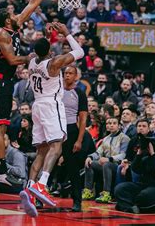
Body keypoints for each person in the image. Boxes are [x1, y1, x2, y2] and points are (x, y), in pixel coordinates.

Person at [0, 0, 52, 185]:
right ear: (7, 19)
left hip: (5, 81)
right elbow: (13, 60)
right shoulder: (2, 34)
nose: (18, 16)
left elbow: (32, 5)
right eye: (13, 15)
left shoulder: (12, 27)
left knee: (2, 126)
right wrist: (31, 57)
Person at [20, 22, 84, 217]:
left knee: (41, 151)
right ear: (49, 50)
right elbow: (79, 52)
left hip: (37, 106)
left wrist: (47, 38)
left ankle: (30, 190)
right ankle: (41, 185)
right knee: (56, 147)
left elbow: (42, 50)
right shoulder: (54, 63)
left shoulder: (31, 62)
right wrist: (66, 34)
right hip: (51, 105)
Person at [60, 65, 88, 212]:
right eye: (65, 73)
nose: (67, 76)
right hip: (56, 129)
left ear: (76, 76)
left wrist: (79, 139)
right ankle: (39, 197)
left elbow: (83, 119)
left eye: (70, 73)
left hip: (71, 130)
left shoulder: (79, 93)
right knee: (48, 164)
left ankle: (77, 200)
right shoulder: (57, 90)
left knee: (72, 168)